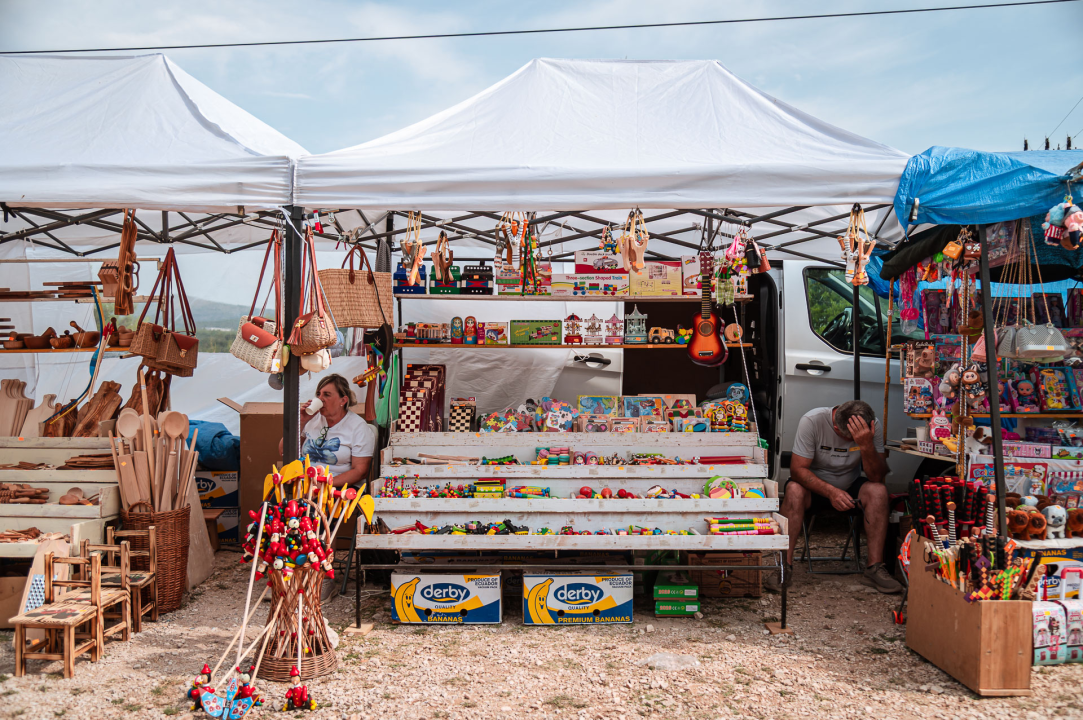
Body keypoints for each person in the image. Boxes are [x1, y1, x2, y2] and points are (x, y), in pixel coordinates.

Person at [774, 400, 902, 593]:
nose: (852, 441)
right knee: (793, 491)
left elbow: (877, 476)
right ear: (836, 426)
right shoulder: (813, 420)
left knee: (878, 491)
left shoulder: (870, 425)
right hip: (815, 488)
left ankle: (874, 567)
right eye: (849, 438)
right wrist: (831, 492)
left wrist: (866, 445)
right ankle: (783, 566)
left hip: (849, 485)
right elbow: (798, 470)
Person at [278, 374, 375, 488]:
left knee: (313, 505)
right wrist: (301, 421)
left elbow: (360, 471)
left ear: (343, 400)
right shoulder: (312, 419)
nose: (320, 399)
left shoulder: (358, 427)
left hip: (339, 486)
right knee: (272, 502)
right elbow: (283, 452)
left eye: (327, 395)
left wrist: (324, 484)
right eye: (318, 394)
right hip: (305, 483)